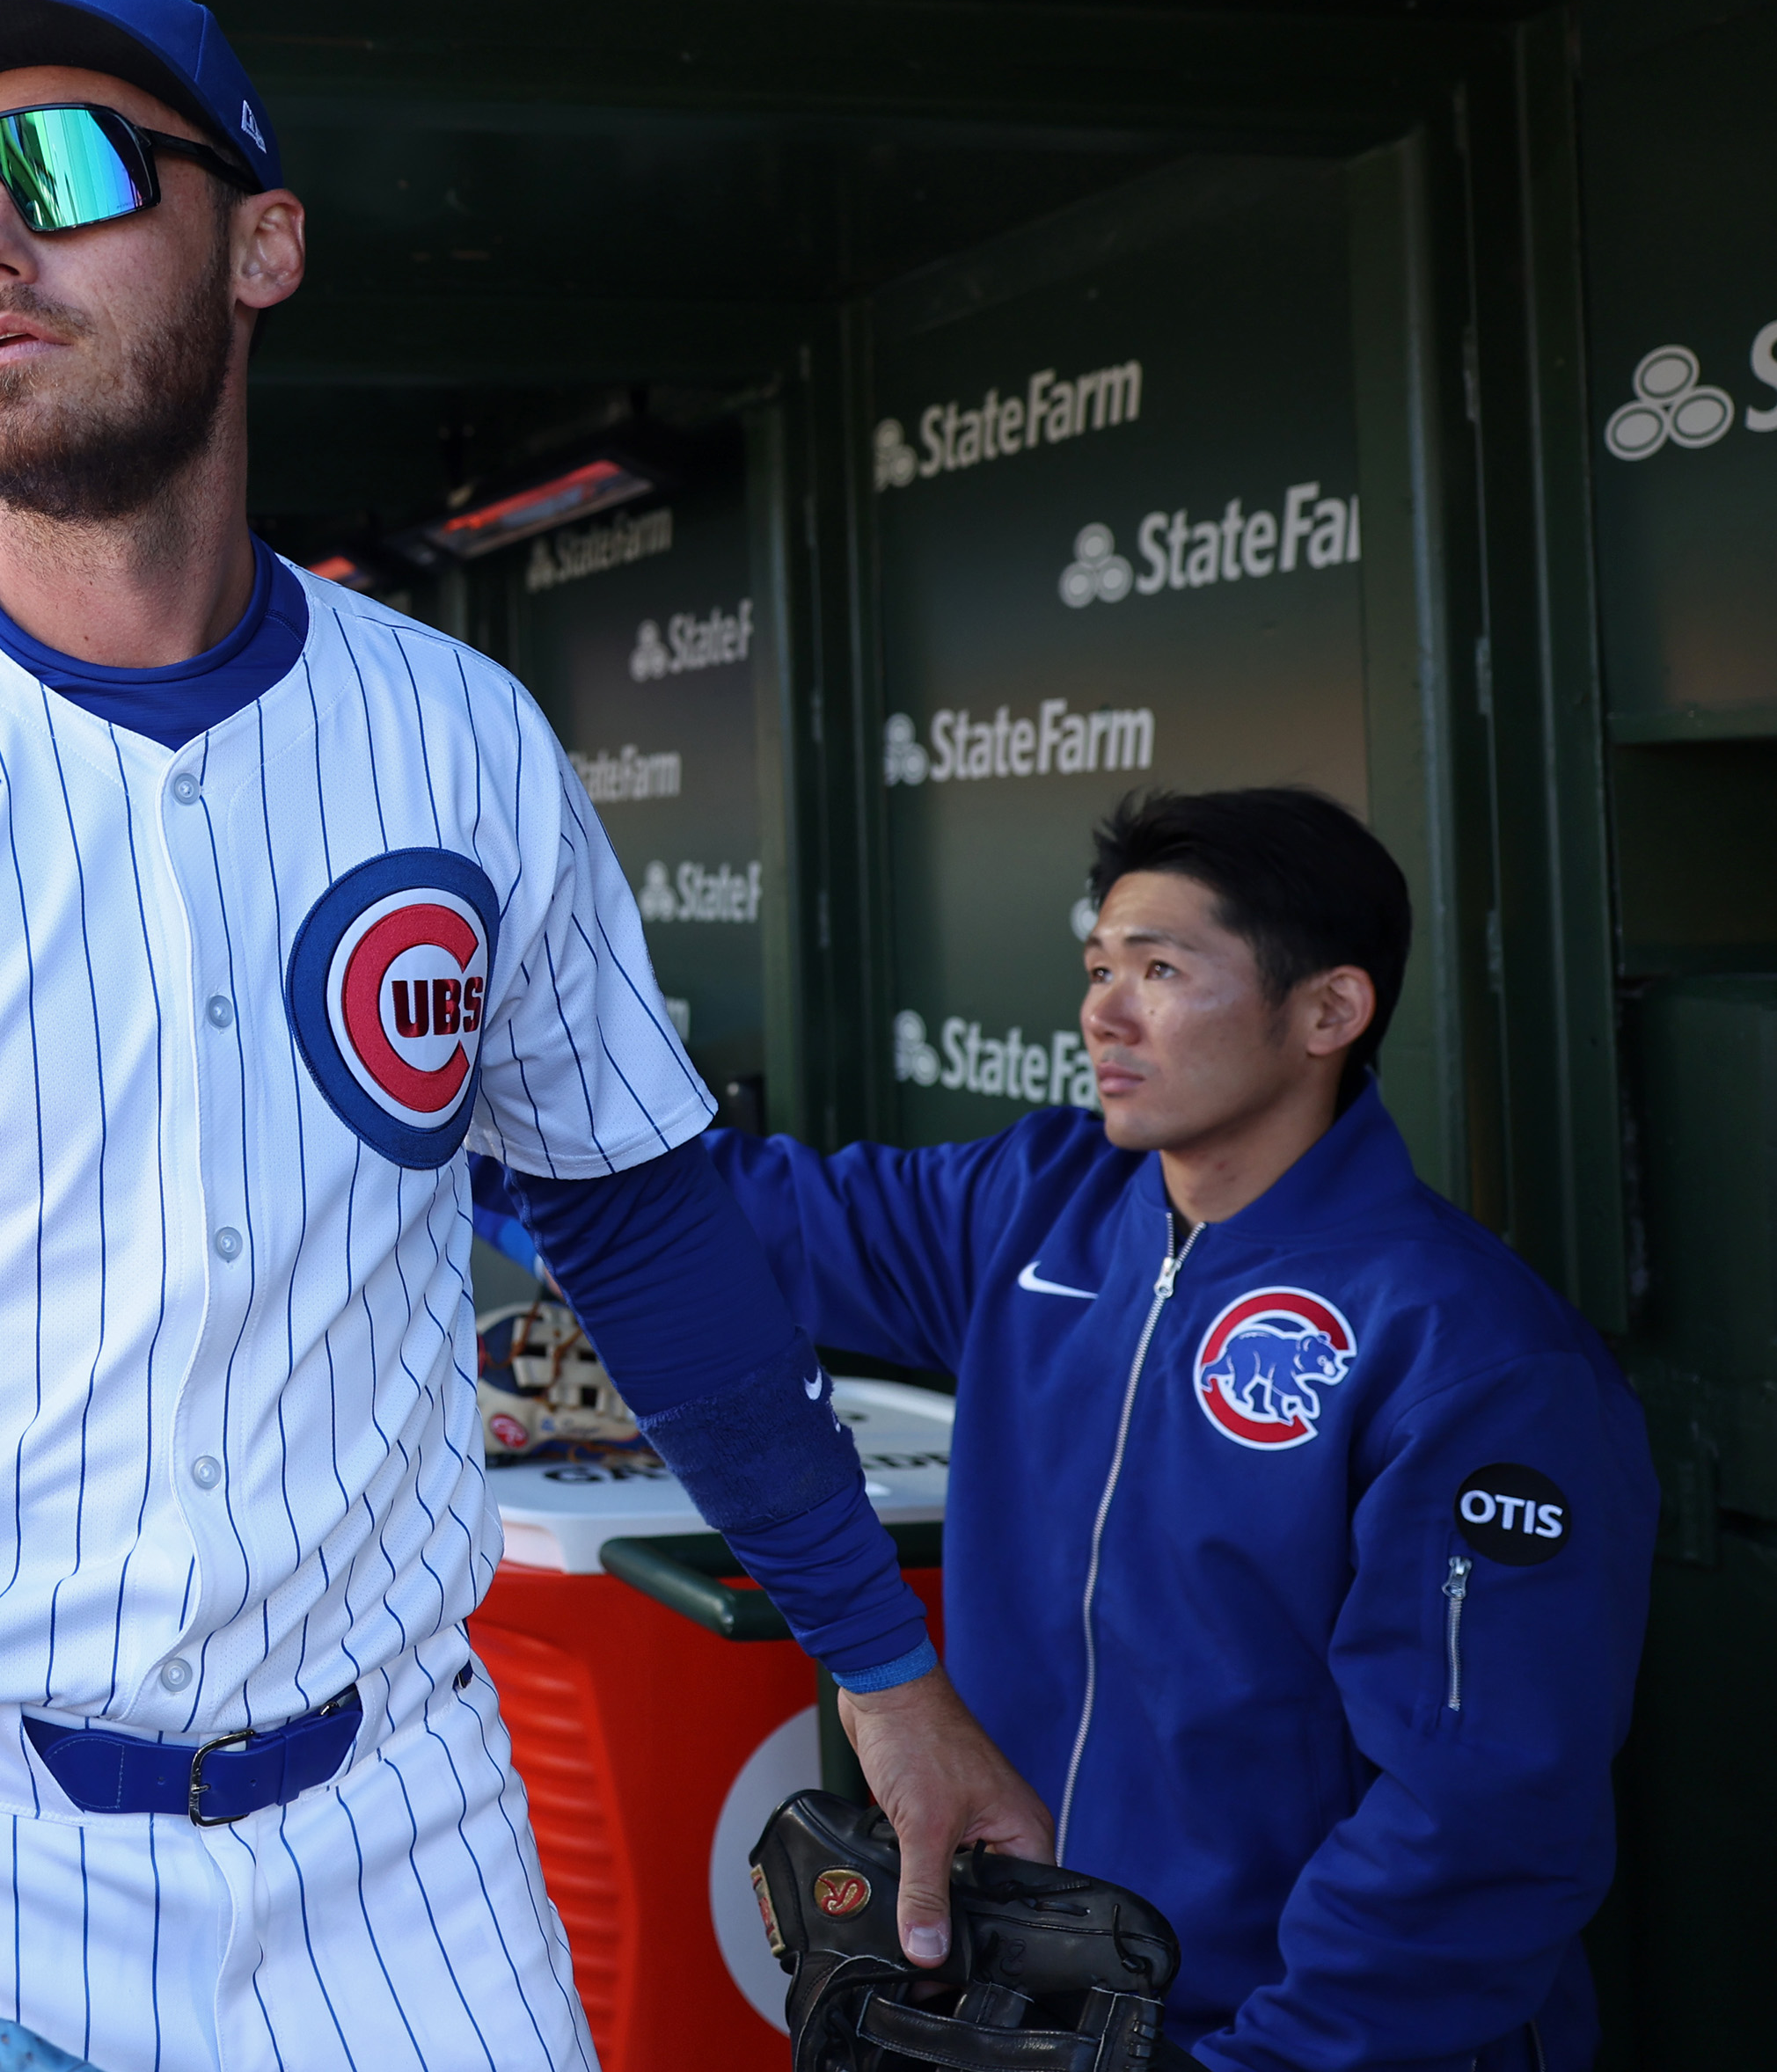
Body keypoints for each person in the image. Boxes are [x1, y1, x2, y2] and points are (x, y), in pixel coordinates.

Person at [0, 0, 1028, 2072]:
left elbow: (642, 1239)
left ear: (258, 242)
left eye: (59, 170)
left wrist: (883, 1669)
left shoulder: (456, 735)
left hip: (400, 1833)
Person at [698, 786, 1654, 2069]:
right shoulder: (1037, 1205)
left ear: (1329, 1011)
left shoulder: (1468, 1347)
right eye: (1100, 965)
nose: (1104, 1009)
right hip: (1036, 2013)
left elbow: (1481, 1818)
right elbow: (732, 1230)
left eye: (1161, 968)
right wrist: (430, 1129)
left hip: (1294, 2040)